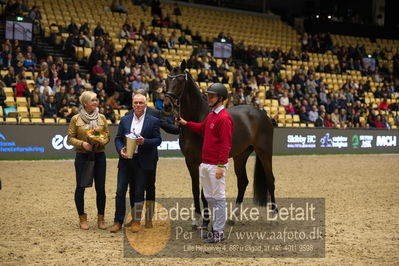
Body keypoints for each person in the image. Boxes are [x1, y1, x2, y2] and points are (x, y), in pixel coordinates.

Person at [177, 83, 234, 243]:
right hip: (206, 164)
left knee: (219, 199)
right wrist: (186, 123)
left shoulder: (224, 118)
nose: (208, 98)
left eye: (212, 96)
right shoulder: (211, 115)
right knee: (209, 198)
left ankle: (219, 232)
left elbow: (226, 144)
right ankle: (215, 228)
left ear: (220, 98)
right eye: (208, 95)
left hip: (216, 165)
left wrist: (221, 166)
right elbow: (202, 128)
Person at [124, 90, 180, 228]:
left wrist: (182, 127)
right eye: (134, 99)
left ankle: (149, 218)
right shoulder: (127, 115)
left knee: (149, 187)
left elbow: (167, 127)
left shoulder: (154, 113)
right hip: (132, 158)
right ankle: (135, 217)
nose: (137, 102)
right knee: (133, 187)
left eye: (140, 100)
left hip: (149, 157)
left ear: (146, 99)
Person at [110, 94, 162, 233]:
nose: (138, 105)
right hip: (125, 160)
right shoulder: (125, 119)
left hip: (142, 161)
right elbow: (117, 138)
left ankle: (136, 221)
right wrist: (120, 149)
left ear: (145, 105)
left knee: (139, 192)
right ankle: (118, 221)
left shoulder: (153, 121)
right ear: (132, 105)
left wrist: (145, 142)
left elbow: (158, 140)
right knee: (120, 191)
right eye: (136, 103)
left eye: (141, 102)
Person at [67, 91, 110, 230]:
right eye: (93, 100)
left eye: (96, 100)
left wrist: (101, 141)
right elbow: (70, 138)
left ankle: (101, 218)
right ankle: (82, 218)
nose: (96, 102)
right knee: (80, 187)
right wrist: (83, 144)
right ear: (85, 103)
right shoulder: (76, 119)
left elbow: (108, 136)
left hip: (99, 155)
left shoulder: (102, 118)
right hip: (82, 156)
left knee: (101, 188)